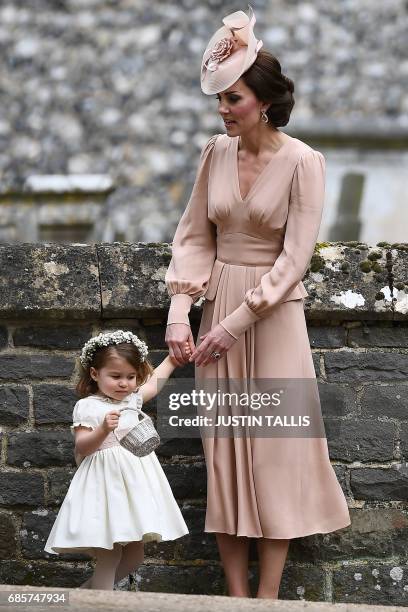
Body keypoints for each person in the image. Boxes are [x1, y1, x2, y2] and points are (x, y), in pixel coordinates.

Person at [164, 6, 351, 600]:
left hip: (271, 322)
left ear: (263, 101)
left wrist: (236, 323)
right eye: (219, 99)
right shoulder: (213, 154)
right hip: (216, 307)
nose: (223, 110)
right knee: (223, 454)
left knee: (274, 453)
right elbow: (195, 235)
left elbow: (295, 259)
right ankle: (236, 597)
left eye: (234, 99)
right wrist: (180, 311)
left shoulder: (304, 163)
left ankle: (267, 599)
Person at [44, 330, 189, 590]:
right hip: (105, 484)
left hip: (134, 485)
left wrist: (173, 360)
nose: (124, 383)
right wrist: (102, 430)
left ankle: (84, 594)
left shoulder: (132, 400)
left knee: (135, 556)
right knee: (109, 552)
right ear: (94, 374)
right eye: (116, 376)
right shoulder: (88, 406)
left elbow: (154, 384)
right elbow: (83, 447)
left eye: (131, 377)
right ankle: (102, 604)